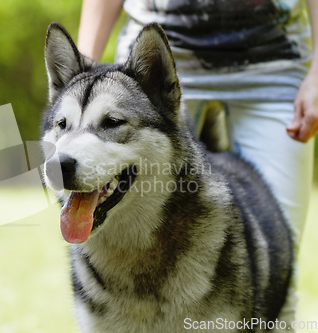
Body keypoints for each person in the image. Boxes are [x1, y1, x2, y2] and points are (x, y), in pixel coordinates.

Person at [77, 0, 317, 324]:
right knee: (115, 241)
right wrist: (80, 75)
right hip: (150, 66)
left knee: (278, 261)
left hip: (275, 66)